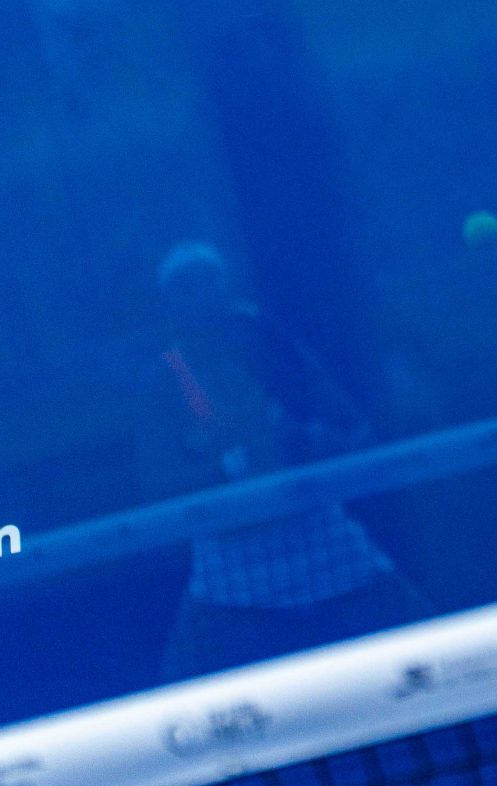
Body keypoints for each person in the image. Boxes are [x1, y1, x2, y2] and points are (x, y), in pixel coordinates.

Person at [136, 241, 426, 680]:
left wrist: (310, 444)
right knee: (179, 694)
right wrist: (229, 471)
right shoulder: (164, 381)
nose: (200, 296)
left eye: (209, 282)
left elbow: (355, 431)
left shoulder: (275, 348)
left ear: (226, 288)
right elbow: (157, 485)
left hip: (325, 546)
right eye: (186, 288)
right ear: (169, 304)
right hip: (231, 576)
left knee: (432, 644)